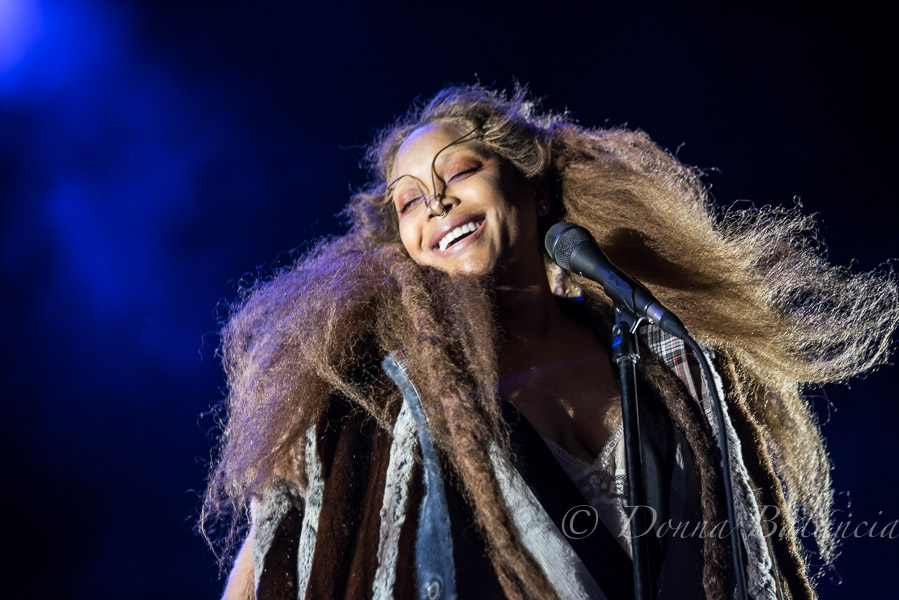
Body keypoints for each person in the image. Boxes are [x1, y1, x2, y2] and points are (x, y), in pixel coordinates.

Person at [200, 85, 899, 599]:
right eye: (409, 201)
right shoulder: (380, 402)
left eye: (459, 172)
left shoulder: (659, 354)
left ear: (533, 191)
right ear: (405, 247)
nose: (435, 203)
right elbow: (278, 556)